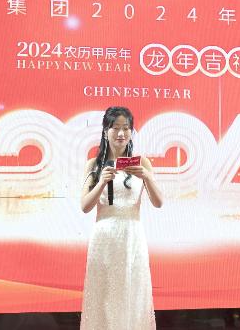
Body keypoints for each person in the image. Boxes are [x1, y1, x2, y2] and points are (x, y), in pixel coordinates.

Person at [79, 106, 164, 330]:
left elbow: (158, 202)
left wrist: (147, 177)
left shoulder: (141, 162)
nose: (120, 133)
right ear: (105, 131)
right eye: (115, 128)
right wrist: (101, 182)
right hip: (104, 237)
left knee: (133, 295)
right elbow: (85, 206)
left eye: (126, 128)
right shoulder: (94, 165)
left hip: (132, 236)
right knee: (104, 296)